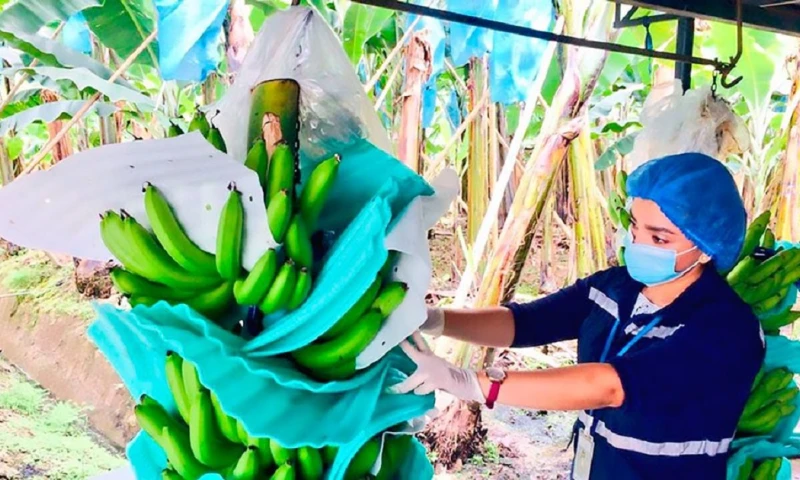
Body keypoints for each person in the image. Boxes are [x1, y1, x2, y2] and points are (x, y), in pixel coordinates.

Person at [392, 152, 766, 480]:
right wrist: (435, 319)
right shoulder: (615, 286)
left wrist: (471, 382)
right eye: (635, 226)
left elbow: (610, 387)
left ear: (705, 247)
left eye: (659, 239)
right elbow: (525, 322)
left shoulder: (727, 328)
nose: (637, 243)